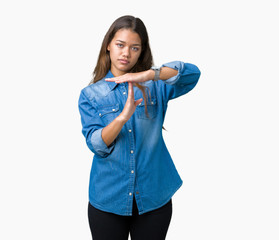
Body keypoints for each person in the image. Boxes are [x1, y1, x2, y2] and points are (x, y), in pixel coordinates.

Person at [78, 15, 201, 240]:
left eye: (135, 48)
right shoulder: (90, 95)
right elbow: (96, 144)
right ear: (108, 45)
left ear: (141, 51)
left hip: (154, 196)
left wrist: (150, 74)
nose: (126, 53)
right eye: (120, 45)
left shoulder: (155, 86)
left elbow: (192, 75)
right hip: (108, 199)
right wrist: (121, 118)